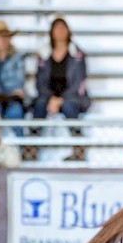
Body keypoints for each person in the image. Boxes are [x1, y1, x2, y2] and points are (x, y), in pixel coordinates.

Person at [32, 16, 91, 162]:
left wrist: (60, 100)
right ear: (51, 32)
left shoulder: (78, 55)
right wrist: (51, 99)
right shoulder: (43, 55)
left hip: (71, 96)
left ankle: (79, 148)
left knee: (69, 106)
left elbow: (79, 83)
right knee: (39, 104)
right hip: (49, 97)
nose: (60, 31)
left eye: (62, 28)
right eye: (56, 28)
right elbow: (40, 82)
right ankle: (31, 146)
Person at [0, 20, 26, 138]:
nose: (2, 40)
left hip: (11, 100)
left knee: (15, 114)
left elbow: (18, 84)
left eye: (5, 36)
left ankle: (22, 149)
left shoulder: (17, 58)